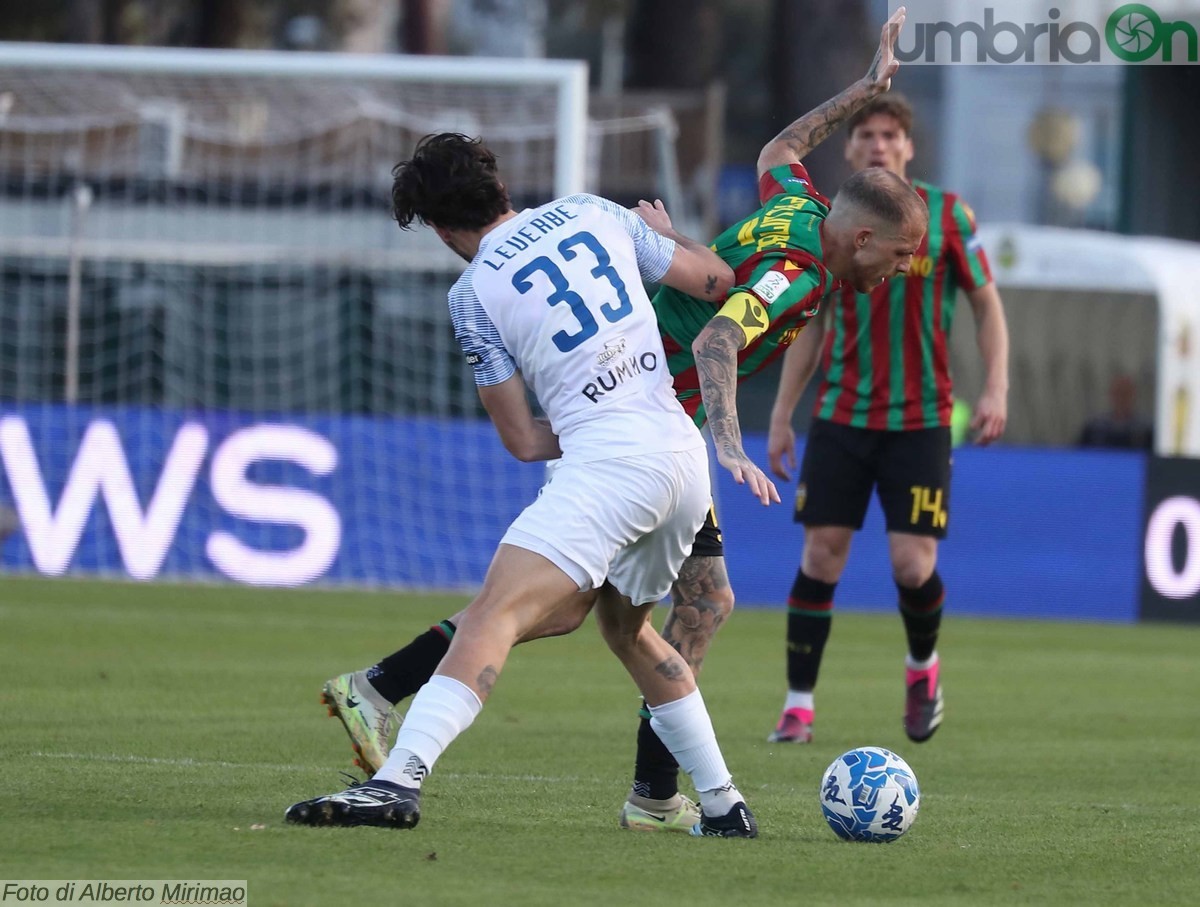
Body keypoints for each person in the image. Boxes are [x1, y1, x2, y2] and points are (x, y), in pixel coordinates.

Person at [315, 8, 925, 832]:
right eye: (894, 256)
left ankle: (403, 745)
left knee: (553, 607)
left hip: (625, 444)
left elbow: (776, 157)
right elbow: (719, 309)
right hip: (672, 429)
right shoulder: (606, 214)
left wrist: (859, 92)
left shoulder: (791, 214)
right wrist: (723, 434)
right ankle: (693, 800)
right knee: (630, 612)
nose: (895, 273)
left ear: (439, 226)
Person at [286, 132, 763, 836]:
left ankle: (397, 781)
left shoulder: (473, 290)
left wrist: (594, 417)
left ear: (443, 228)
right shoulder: (594, 211)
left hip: (609, 466)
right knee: (627, 631)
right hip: (682, 457)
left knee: (490, 616)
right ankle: (722, 804)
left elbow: (523, 439)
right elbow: (719, 282)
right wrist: (666, 235)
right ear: (498, 184)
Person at [764, 92, 1010, 746]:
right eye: (865, 134)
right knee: (821, 554)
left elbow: (987, 304)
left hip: (923, 418)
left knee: (910, 564)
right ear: (850, 150)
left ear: (908, 147)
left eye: (889, 135)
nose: (877, 143)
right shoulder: (839, 227)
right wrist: (783, 414)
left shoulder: (948, 216)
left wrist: (996, 387)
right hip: (842, 415)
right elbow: (809, 324)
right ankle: (797, 704)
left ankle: (922, 667)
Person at [1077, 374, 1153, 450]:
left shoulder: (1146, 430)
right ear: (1111, 394)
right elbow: (1078, 453)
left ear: (1133, 395)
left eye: (1126, 393)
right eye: (1118, 393)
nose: (1121, 398)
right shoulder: (1094, 428)